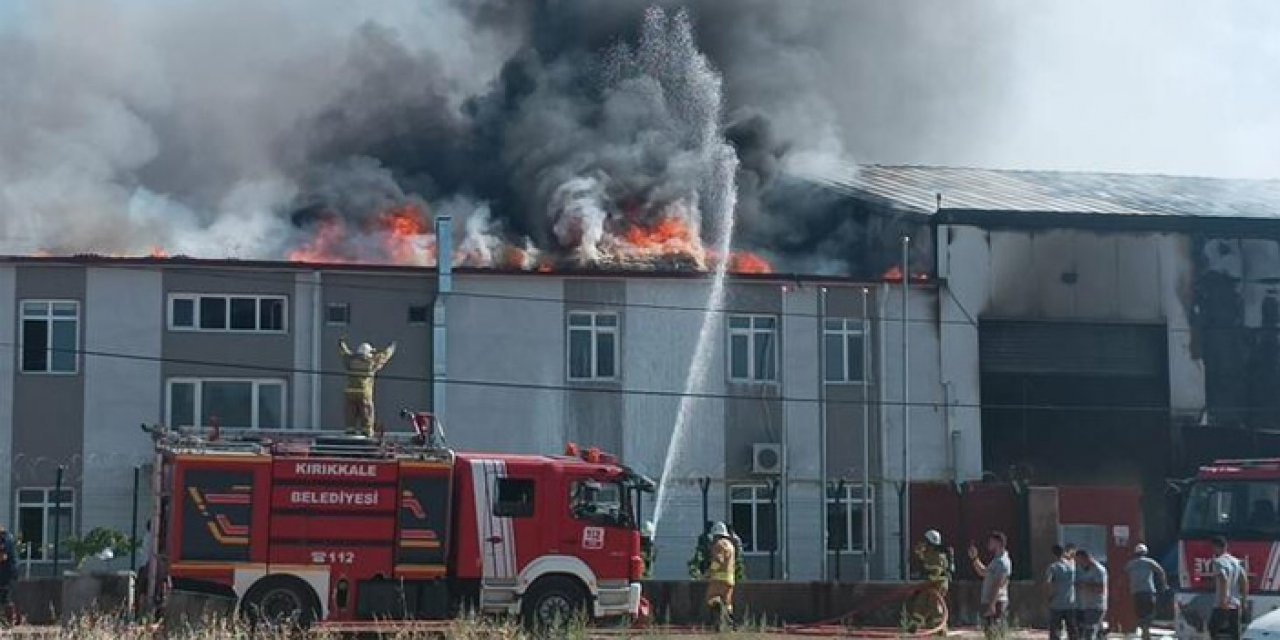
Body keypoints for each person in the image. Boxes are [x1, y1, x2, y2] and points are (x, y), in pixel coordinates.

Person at [338, 337, 396, 436]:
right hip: (365, 394)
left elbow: (344, 352)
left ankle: (350, 432)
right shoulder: (371, 362)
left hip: (350, 393)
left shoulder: (350, 360)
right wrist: (392, 347)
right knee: (367, 414)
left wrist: (341, 343)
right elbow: (384, 356)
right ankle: (367, 433)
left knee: (350, 414)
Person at [907, 529, 953, 633]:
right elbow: (922, 559)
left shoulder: (938, 556)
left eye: (925, 541)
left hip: (939, 584)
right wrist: (918, 553)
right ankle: (914, 626)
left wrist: (925, 577)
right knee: (921, 602)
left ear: (929, 543)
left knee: (934, 604)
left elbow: (935, 572)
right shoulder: (929, 553)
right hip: (930, 584)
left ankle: (941, 629)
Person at [970, 530, 1012, 640]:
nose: (989, 543)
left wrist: (991, 605)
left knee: (994, 633)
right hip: (990, 601)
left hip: (996, 602)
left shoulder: (1003, 562)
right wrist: (975, 558)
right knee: (990, 634)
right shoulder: (996, 560)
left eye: (991, 541)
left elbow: (998, 584)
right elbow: (983, 572)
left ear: (998, 543)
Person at [1125, 543, 1168, 640]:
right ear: (1145, 552)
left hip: (1136, 592)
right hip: (1148, 590)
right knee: (1150, 612)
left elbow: (1124, 574)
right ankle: (1146, 630)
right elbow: (1161, 571)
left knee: (1140, 612)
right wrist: (1164, 584)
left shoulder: (1130, 564)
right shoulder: (1150, 562)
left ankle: (1144, 631)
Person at [1209, 536, 1248, 640]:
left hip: (1222, 604)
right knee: (1235, 633)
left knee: (1211, 630)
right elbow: (1244, 581)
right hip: (1235, 603)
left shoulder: (1218, 562)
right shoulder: (1236, 561)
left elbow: (1223, 578)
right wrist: (1244, 601)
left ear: (1215, 547)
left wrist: (1223, 600)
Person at [703, 521, 737, 631]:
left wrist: (709, 572)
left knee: (711, 598)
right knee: (727, 603)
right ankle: (730, 625)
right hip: (730, 579)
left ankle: (717, 623)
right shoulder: (731, 545)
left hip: (718, 578)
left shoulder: (719, 544)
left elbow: (719, 560)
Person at [1045, 544, 1077, 640]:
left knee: (1055, 631)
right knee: (1072, 630)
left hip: (1056, 603)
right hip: (1071, 602)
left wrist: (1049, 597)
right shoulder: (1072, 566)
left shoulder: (1053, 567)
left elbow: (1048, 583)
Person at [1074, 549, 1108, 640]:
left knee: (1089, 632)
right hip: (1083, 606)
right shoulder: (1080, 569)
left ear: (1086, 558)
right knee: (1096, 633)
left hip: (1096, 606)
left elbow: (1101, 589)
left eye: (1079, 560)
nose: (1078, 563)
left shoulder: (1099, 570)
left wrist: (1086, 585)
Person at [0, 525, 15, 626]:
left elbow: (3, 557)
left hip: (7, 572)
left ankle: (10, 622)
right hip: (3, 572)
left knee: (6, 597)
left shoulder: (6, 539)